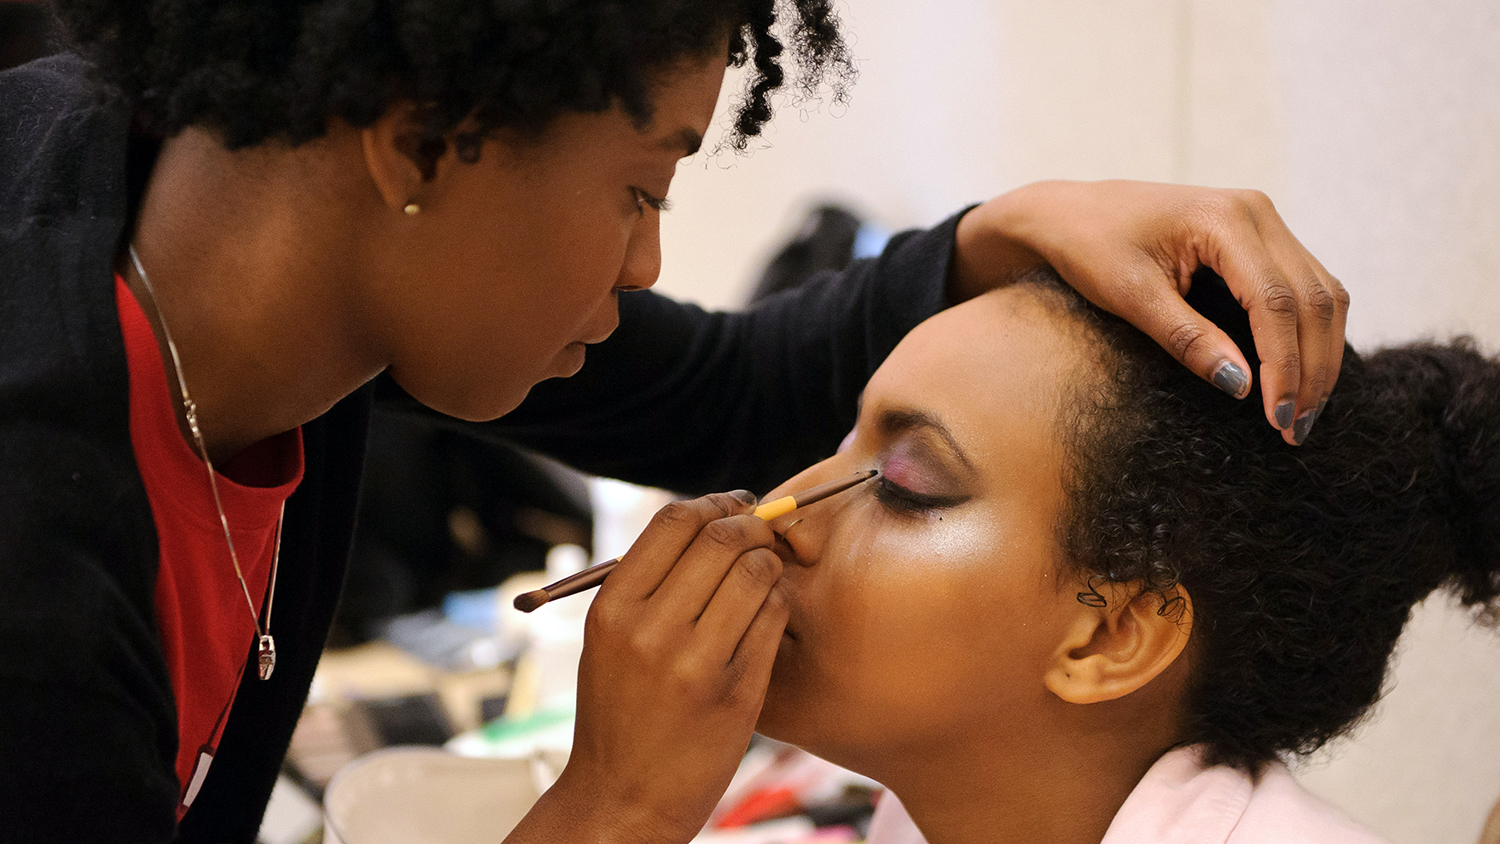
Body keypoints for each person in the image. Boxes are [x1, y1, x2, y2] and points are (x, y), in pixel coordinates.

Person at [0, 1, 1349, 842]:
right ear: (418, 146)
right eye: (641, 189)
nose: (648, 264)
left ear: (1113, 624)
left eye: (909, 479)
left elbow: (723, 393)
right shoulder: (31, 564)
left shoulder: (254, 239)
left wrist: (992, 235)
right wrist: (616, 807)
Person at [725, 269, 1499, 844]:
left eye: (903, 483)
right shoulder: (928, 814)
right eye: (842, 444)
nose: (779, 512)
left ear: (1112, 632)